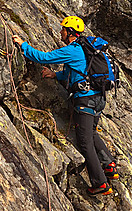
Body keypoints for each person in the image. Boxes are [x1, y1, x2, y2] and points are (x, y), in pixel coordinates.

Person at [12, 15, 118, 196]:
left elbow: (44, 58)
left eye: (63, 29)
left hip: (85, 101)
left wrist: (23, 45)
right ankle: (109, 166)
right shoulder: (86, 49)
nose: (60, 32)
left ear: (70, 32)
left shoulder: (73, 50)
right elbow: (77, 71)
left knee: (85, 143)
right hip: (99, 98)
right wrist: (56, 76)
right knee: (91, 133)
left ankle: (100, 183)